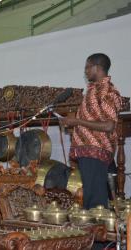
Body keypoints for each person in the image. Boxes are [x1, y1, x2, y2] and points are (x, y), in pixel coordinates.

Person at [60, 53, 122, 210]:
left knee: (96, 202)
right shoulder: (93, 91)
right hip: (87, 152)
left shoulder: (108, 91)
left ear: (97, 68)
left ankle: (99, 232)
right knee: (89, 199)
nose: (85, 71)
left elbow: (109, 125)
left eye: (87, 67)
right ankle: (94, 232)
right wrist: (72, 124)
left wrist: (77, 121)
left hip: (96, 151)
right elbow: (92, 122)